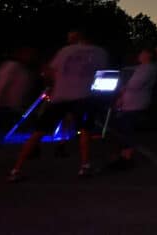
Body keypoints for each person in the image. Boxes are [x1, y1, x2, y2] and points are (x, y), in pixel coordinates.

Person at [8, 29, 109, 182]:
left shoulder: (65, 51)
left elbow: (49, 71)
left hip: (60, 96)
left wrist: (54, 84)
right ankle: (84, 166)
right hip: (83, 96)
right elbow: (101, 72)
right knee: (84, 130)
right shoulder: (99, 53)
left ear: (76, 38)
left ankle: (16, 169)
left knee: (39, 132)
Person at [0, 47, 35, 158]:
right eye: (28, 54)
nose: (30, 57)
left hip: (8, 108)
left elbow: (20, 91)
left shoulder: (23, 70)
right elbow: (0, 85)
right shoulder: (12, 66)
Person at [108, 48, 157, 170]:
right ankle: (123, 156)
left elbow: (135, 84)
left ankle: (127, 158)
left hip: (135, 104)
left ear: (148, 55)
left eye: (142, 52)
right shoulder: (142, 68)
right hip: (130, 103)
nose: (139, 55)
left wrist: (124, 86)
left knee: (127, 130)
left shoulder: (148, 68)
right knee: (124, 129)